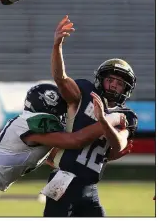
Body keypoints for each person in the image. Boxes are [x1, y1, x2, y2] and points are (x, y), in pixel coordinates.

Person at [0, 83, 126, 217]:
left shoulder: (35, 129)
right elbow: (76, 140)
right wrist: (111, 119)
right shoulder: (32, 123)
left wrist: (107, 155)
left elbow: (61, 158)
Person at [42, 15, 138, 217]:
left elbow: (119, 144)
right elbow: (60, 79)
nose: (114, 85)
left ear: (125, 89)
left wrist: (103, 119)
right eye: (110, 79)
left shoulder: (126, 115)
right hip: (63, 179)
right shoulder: (85, 93)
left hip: (90, 187)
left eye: (119, 83)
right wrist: (57, 45)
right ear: (101, 79)